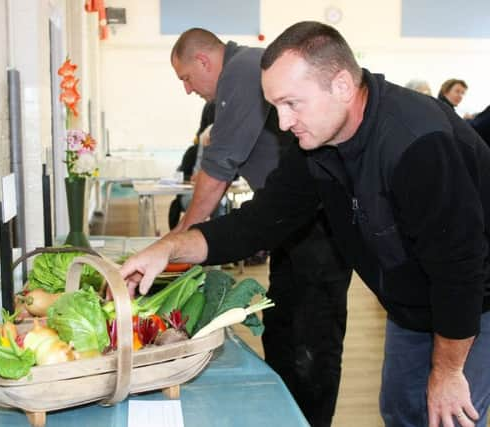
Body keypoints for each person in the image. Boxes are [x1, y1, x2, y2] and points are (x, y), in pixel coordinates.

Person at [121, 21, 490, 427]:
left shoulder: (417, 142)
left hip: (475, 300)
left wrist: (448, 372)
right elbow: (259, 223)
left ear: (343, 86)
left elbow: (460, 269)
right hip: (413, 303)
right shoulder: (315, 144)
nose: (282, 123)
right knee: (402, 413)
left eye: (292, 103)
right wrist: (170, 248)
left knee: (445, 417)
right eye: (275, 105)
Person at [169, 28, 352, 427]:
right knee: (283, 335)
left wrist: (177, 246)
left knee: (309, 344)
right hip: (291, 226)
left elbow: (218, 167)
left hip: (317, 230)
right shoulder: (243, 70)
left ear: (204, 61)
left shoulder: (242, 70)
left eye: (186, 78)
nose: (187, 89)